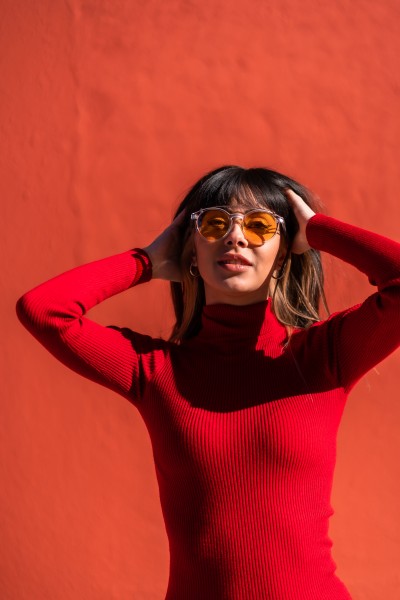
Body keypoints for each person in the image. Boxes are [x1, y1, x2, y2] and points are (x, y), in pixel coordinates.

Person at [16, 165, 400, 599]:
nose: (235, 237)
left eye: (259, 225)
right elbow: (44, 310)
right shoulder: (155, 370)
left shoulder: (324, 356)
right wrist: (146, 261)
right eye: (215, 224)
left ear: (284, 252)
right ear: (191, 251)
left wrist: (316, 230)